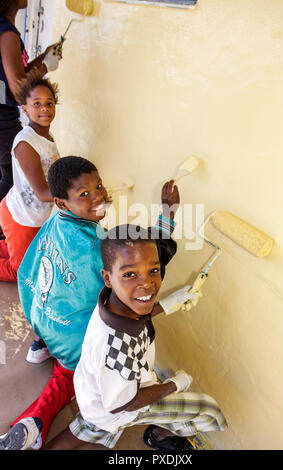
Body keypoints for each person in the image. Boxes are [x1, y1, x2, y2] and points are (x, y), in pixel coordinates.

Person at [0, 156, 198, 450]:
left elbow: (30, 268)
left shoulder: (57, 220)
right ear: (63, 203)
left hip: (40, 315)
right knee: (68, 376)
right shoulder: (97, 249)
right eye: (85, 194)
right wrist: (167, 214)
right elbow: (144, 263)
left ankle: (42, 348)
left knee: (62, 341)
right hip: (71, 338)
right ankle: (35, 422)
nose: (99, 196)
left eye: (100, 187)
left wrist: (41, 323)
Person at [43, 224, 227, 451]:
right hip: (119, 405)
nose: (147, 283)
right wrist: (173, 385)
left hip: (95, 394)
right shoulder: (118, 348)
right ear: (107, 277)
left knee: (86, 428)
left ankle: (153, 430)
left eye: (154, 270)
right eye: (130, 274)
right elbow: (124, 403)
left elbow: (135, 313)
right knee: (206, 409)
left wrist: (168, 304)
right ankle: (162, 435)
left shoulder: (112, 299)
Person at [0, 70, 59, 282]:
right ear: (24, 109)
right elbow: (43, 192)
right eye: (37, 104)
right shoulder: (26, 143)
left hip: (33, 216)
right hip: (20, 216)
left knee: (18, 251)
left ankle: (9, 246)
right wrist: (75, 195)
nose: (44, 108)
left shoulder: (47, 137)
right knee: (22, 272)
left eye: (49, 103)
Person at [0, 0, 62, 203]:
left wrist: (44, 57)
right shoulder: (7, 34)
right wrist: (45, 66)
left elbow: (17, 75)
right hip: (3, 120)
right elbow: (19, 90)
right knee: (12, 180)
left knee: (8, 176)